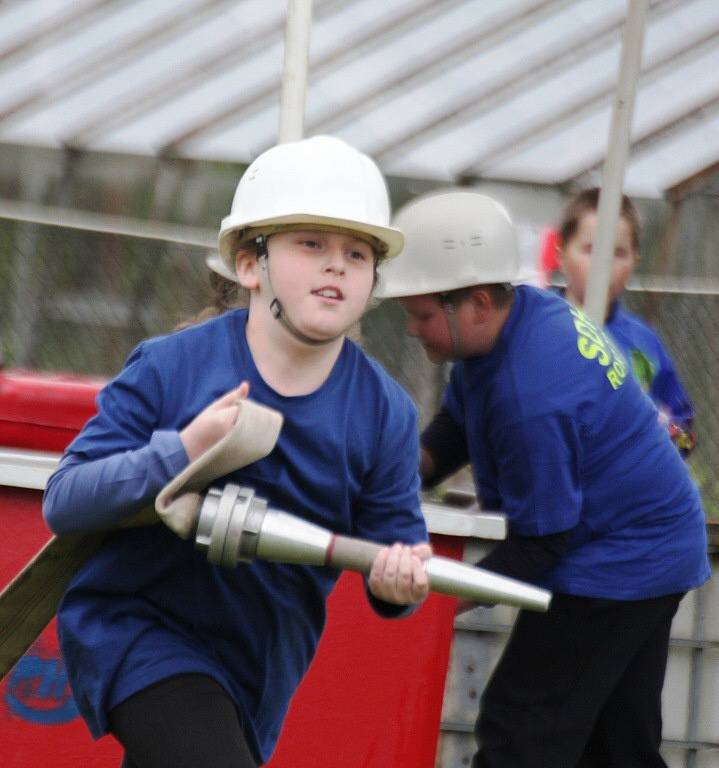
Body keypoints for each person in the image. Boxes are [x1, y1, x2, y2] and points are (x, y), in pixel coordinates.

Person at [43, 135, 431, 768]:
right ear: (252, 266)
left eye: (356, 254)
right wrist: (185, 449)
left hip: (255, 671)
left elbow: (397, 560)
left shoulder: (385, 414)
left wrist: (398, 582)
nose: (336, 265)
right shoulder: (172, 368)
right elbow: (66, 501)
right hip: (136, 631)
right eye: (312, 244)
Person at [375, 188, 710, 768]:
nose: (411, 329)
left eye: (422, 314)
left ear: (475, 303)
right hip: (657, 543)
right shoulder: (516, 323)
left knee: (521, 730)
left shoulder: (531, 395)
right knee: (617, 746)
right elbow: (457, 421)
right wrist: (401, 476)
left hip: (619, 559)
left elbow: (544, 542)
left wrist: (437, 595)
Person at [555, 187, 696, 456]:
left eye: (618, 253)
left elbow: (685, 434)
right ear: (561, 255)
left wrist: (668, 433)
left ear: (634, 262)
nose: (603, 264)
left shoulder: (644, 344)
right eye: (589, 249)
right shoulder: (535, 331)